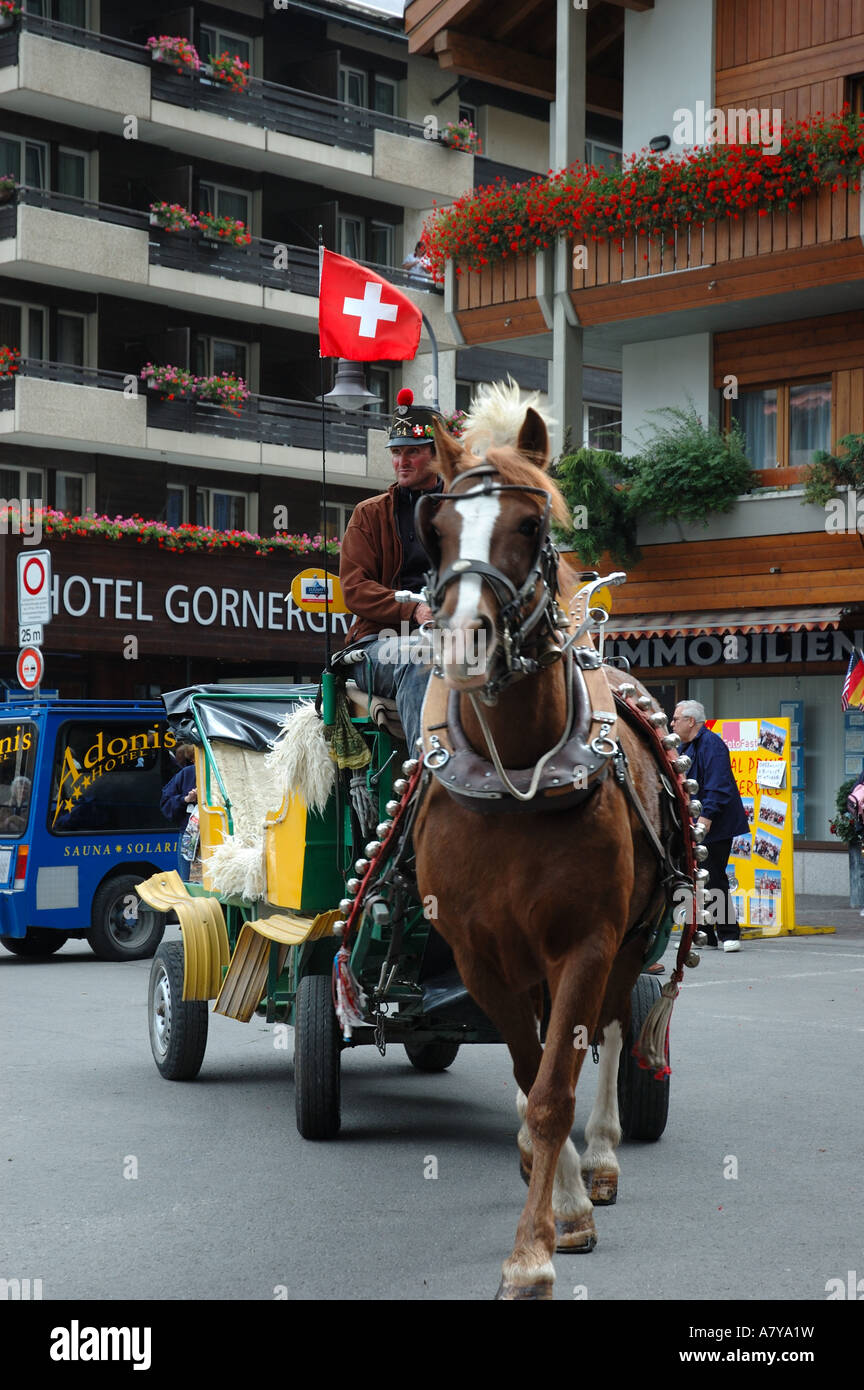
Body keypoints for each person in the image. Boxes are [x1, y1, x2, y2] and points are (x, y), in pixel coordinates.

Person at [339, 388, 444, 753]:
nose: (402, 461)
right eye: (397, 452)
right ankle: (425, 780)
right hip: (376, 646)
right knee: (422, 658)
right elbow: (353, 588)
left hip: (457, 640)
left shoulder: (464, 510)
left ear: (437, 454)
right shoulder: (369, 514)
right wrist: (413, 610)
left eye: (413, 451)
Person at [672, 700, 749, 952]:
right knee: (696, 879)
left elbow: (718, 785)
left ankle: (729, 933)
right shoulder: (685, 746)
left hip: (713, 823)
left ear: (691, 721)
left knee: (712, 875)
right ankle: (704, 932)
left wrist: (705, 819)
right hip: (694, 822)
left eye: (676, 719)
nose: (672, 724)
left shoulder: (711, 744)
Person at [160, 744, 198, 884]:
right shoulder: (186, 774)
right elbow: (166, 804)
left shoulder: (222, 772)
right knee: (188, 884)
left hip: (216, 838)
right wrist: (186, 799)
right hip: (190, 836)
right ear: (193, 759)